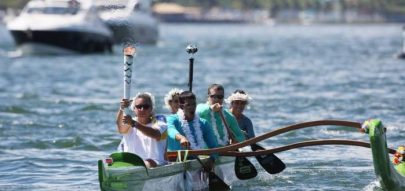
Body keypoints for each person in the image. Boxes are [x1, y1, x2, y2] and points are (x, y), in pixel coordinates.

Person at [116, 92, 167, 168]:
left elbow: (155, 134)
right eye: (139, 107)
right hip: (130, 164)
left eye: (146, 106)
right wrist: (122, 108)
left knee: (149, 162)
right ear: (134, 109)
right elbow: (120, 128)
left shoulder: (160, 124)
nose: (142, 109)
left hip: (155, 164)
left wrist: (134, 123)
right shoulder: (129, 123)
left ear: (151, 109)